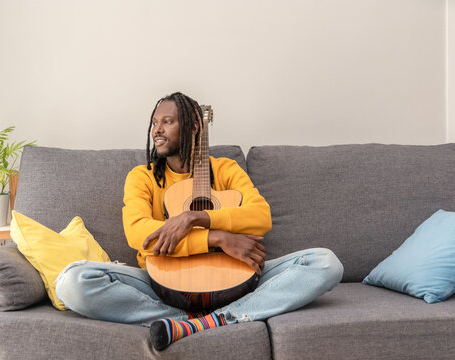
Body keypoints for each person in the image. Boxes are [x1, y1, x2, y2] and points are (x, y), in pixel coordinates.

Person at [55, 92, 344, 351]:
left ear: (194, 127)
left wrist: (197, 217)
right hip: (163, 284)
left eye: (167, 121)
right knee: (72, 282)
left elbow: (261, 216)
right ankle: (194, 319)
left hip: (238, 279)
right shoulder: (141, 176)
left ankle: (203, 322)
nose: (157, 129)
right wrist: (216, 238)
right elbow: (139, 233)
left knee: (326, 263)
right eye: (155, 122)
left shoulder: (226, 169)